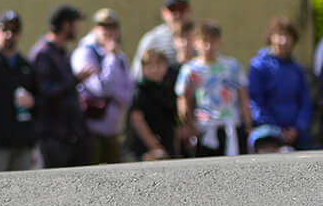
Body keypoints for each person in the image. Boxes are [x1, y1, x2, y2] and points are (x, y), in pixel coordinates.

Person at [31, 5, 93, 169]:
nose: (78, 28)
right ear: (66, 25)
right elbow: (46, 92)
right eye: (76, 23)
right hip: (52, 137)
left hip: (70, 135)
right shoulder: (43, 54)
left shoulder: (61, 53)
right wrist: (76, 79)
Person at [0, 11, 39, 172]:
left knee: (23, 191)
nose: (9, 34)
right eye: (4, 29)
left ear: (20, 34)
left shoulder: (25, 65)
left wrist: (33, 101)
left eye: (14, 30)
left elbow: (40, 97)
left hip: (22, 140)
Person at [176, 22, 250, 158]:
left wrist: (248, 125)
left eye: (213, 41)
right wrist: (191, 126)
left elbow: (243, 98)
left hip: (230, 126)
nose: (208, 46)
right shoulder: (190, 70)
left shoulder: (232, 66)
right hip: (204, 128)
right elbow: (183, 102)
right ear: (195, 42)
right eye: (204, 41)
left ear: (219, 41)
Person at [72, 8, 135, 164]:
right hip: (91, 130)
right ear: (94, 29)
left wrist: (115, 94)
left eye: (113, 27)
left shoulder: (120, 56)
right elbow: (101, 89)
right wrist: (110, 58)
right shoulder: (85, 53)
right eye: (103, 27)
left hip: (114, 131)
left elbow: (129, 92)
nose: (109, 31)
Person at [248, 18, 310, 152]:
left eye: (287, 36)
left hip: (297, 136)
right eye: (279, 35)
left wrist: (297, 128)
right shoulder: (258, 66)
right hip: (267, 135)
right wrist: (276, 129)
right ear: (271, 37)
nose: (283, 41)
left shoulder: (297, 69)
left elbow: (305, 101)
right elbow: (255, 102)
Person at [123, 44, 178, 162]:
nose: (155, 69)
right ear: (143, 68)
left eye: (159, 64)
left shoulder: (169, 87)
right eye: (150, 65)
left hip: (167, 144)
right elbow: (137, 120)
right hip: (146, 149)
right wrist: (154, 145)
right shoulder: (140, 90)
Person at [137, 0, 193, 66]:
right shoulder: (152, 39)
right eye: (172, 9)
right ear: (163, 12)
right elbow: (138, 74)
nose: (177, 14)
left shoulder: (201, 38)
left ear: (189, 11)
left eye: (182, 8)